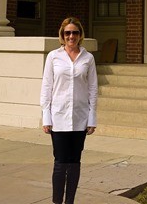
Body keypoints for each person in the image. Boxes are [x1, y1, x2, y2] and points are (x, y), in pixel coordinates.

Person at [40, 17, 98, 204]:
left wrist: (91, 119)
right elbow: (46, 87)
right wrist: (46, 117)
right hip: (58, 118)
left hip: (80, 118)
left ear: (80, 35)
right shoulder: (53, 56)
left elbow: (93, 89)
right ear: (62, 35)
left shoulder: (88, 58)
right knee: (60, 163)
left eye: (74, 32)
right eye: (67, 33)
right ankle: (57, 201)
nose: (71, 36)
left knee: (74, 163)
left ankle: (69, 202)